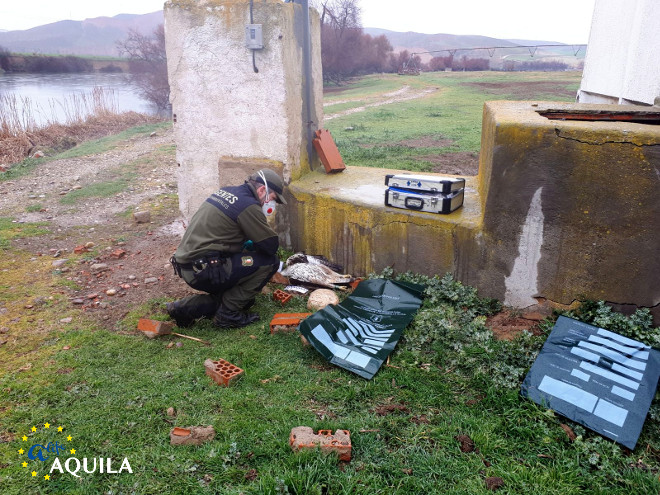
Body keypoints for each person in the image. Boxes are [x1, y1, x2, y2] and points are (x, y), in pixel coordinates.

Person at [167, 169, 286, 328]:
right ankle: (227, 314)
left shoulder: (227, 191)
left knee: (243, 298)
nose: (270, 204)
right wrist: (262, 223)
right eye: (272, 199)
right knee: (269, 262)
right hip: (205, 269)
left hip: (189, 264)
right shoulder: (249, 206)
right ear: (262, 190)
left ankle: (183, 308)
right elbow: (270, 246)